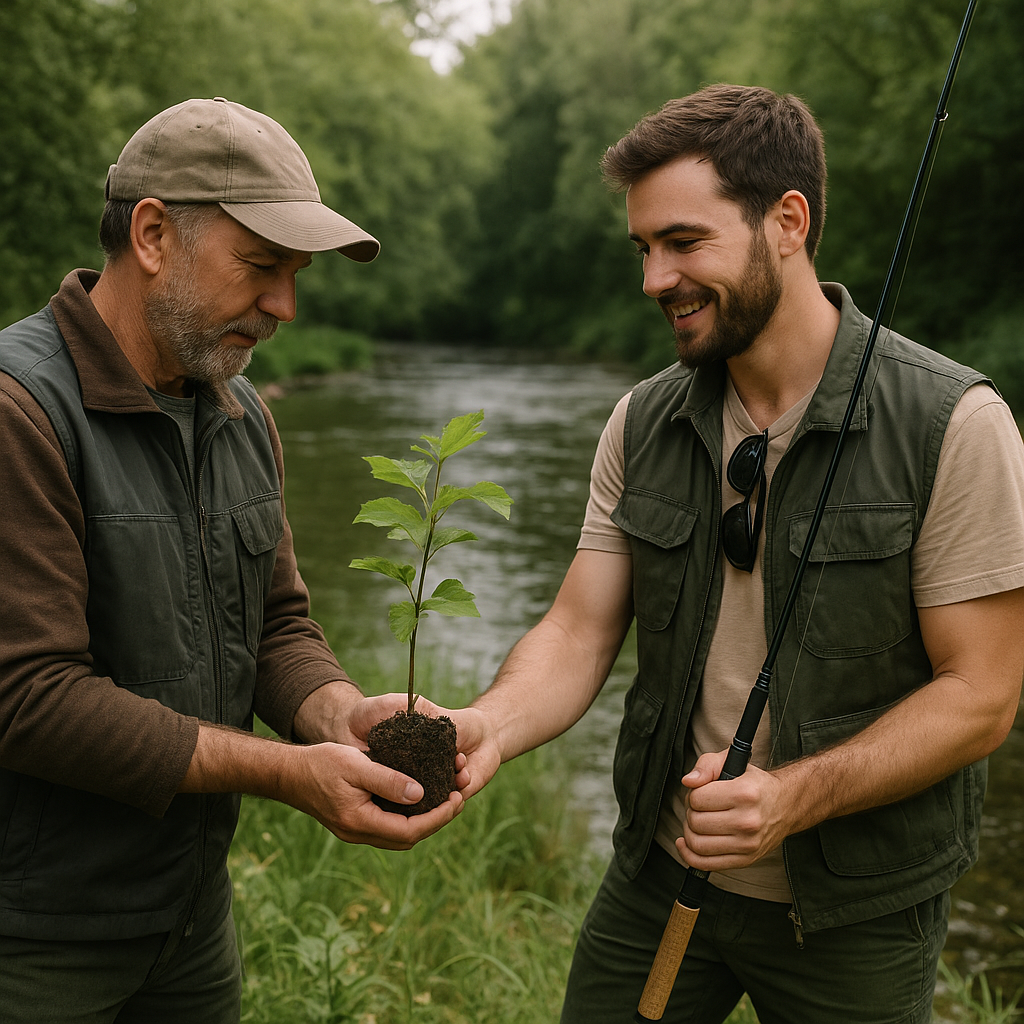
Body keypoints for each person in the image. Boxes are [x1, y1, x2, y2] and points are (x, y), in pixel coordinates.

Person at [443, 85, 1024, 1023]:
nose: (654, 279)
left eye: (683, 241)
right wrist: (490, 725)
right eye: (643, 249)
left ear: (787, 223)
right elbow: (579, 632)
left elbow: (982, 698)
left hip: (859, 913)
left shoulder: (956, 423)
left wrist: (792, 797)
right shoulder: (641, 420)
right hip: (658, 877)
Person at [0, 97, 464, 1022]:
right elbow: (30, 699)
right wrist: (286, 772)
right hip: (35, 939)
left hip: (192, 925)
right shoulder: (21, 413)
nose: (285, 305)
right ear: (153, 235)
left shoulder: (240, 413)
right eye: (261, 266)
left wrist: (334, 710)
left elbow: (276, 625)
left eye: (295, 275)